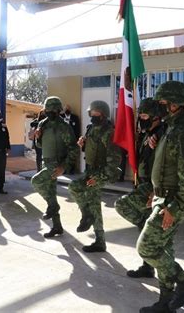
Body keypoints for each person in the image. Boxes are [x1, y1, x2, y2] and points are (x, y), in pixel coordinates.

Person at [137, 81, 184, 312]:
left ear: (175, 104)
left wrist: (174, 208)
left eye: (163, 103)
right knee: (163, 251)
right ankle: (165, 301)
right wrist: (156, 194)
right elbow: (167, 165)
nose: (160, 107)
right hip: (163, 198)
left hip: (173, 202)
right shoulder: (172, 127)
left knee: (146, 248)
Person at [115, 98, 165, 277]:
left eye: (144, 115)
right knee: (144, 229)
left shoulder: (163, 134)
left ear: (156, 117)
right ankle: (147, 266)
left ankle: (165, 270)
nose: (141, 119)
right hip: (142, 182)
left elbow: (166, 165)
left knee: (122, 205)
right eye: (140, 115)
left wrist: (156, 190)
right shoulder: (145, 133)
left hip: (153, 187)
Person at [69, 100, 121, 252]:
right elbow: (91, 149)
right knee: (79, 191)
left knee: (91, 200)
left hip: (101, 172)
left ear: (103, 114)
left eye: (95, 112)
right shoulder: (91, 128)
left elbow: (115, 160)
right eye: (91, 112)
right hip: (90, 170)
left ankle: (97, 236)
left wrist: (99, 177)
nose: (92, 115)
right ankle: (89, 220)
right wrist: (83, 144)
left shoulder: (108, 131)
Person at [31, 96, 77, 238]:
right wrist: (37, 137)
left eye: (53, 110)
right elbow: (40, 145)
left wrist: (64, 167)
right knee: (51, 193)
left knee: (36, 181)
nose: (50, 112)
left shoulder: (64, 127)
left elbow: (73, 149)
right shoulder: (43, 124)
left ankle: (53, 207)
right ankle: (57, 227)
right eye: (47, 110)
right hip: (45, 161)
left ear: (58, 110)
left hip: (56, 164)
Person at [61, 105, 81, 174]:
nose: (67, 110)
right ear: (63, 110)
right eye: (66, 109)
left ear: (71, 110)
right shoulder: (60, 117)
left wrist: (77, 139)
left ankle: (71, 170)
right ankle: (63, 170)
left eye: (68, 109)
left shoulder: (75, 117)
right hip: (62, 140)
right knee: (63, 155)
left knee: (72, 154)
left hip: (72, 139)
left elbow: (77, 129)